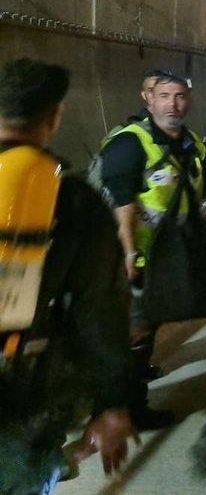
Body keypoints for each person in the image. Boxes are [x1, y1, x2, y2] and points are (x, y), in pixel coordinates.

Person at [0, 59, 138, 493]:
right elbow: (100, 310)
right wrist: (111, 402)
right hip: (18, 390)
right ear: (54, 117)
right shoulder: (75, 202)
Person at [100, 72, 206, 430]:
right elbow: (119, 204)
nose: (173, 104)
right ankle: (124, 411)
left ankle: (123, 404)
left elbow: (196, 198)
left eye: (180, 96)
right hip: (134, 256)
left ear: (189, 100)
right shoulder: (131, 143)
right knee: (132, 336)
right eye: (165, 96)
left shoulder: (195, 146)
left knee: (145, 330)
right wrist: (127, 256)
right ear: (149, 99)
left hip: (167, 255)